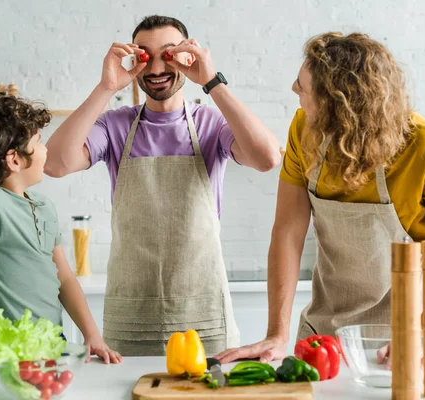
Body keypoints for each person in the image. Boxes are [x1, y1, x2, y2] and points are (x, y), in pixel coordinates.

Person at [216, 32, 425, 366]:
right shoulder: (304, 130)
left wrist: (424, 331)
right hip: (321, 338)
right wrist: (277, 333)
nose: (294, 89)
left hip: (400, 341)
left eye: (303, 86)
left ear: (340, 102)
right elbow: (287, 231)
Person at [44, 15, 281, 356]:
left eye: (168, 54)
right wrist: (106, 88)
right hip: (131, 317)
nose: (155, 68)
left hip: (203, 316)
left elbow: (267, 158)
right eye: (144, 55)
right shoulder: (116, 126)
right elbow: (54, 163)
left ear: (188, 57)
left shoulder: (211, 123)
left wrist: (212, 80)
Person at [0, 91, 121, 373]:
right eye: (39, 142)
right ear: (14, 160)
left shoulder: (44, 207)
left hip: (53, 347)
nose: (46, 150)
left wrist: (93, 335)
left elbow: (64, 278)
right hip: (4, 354)